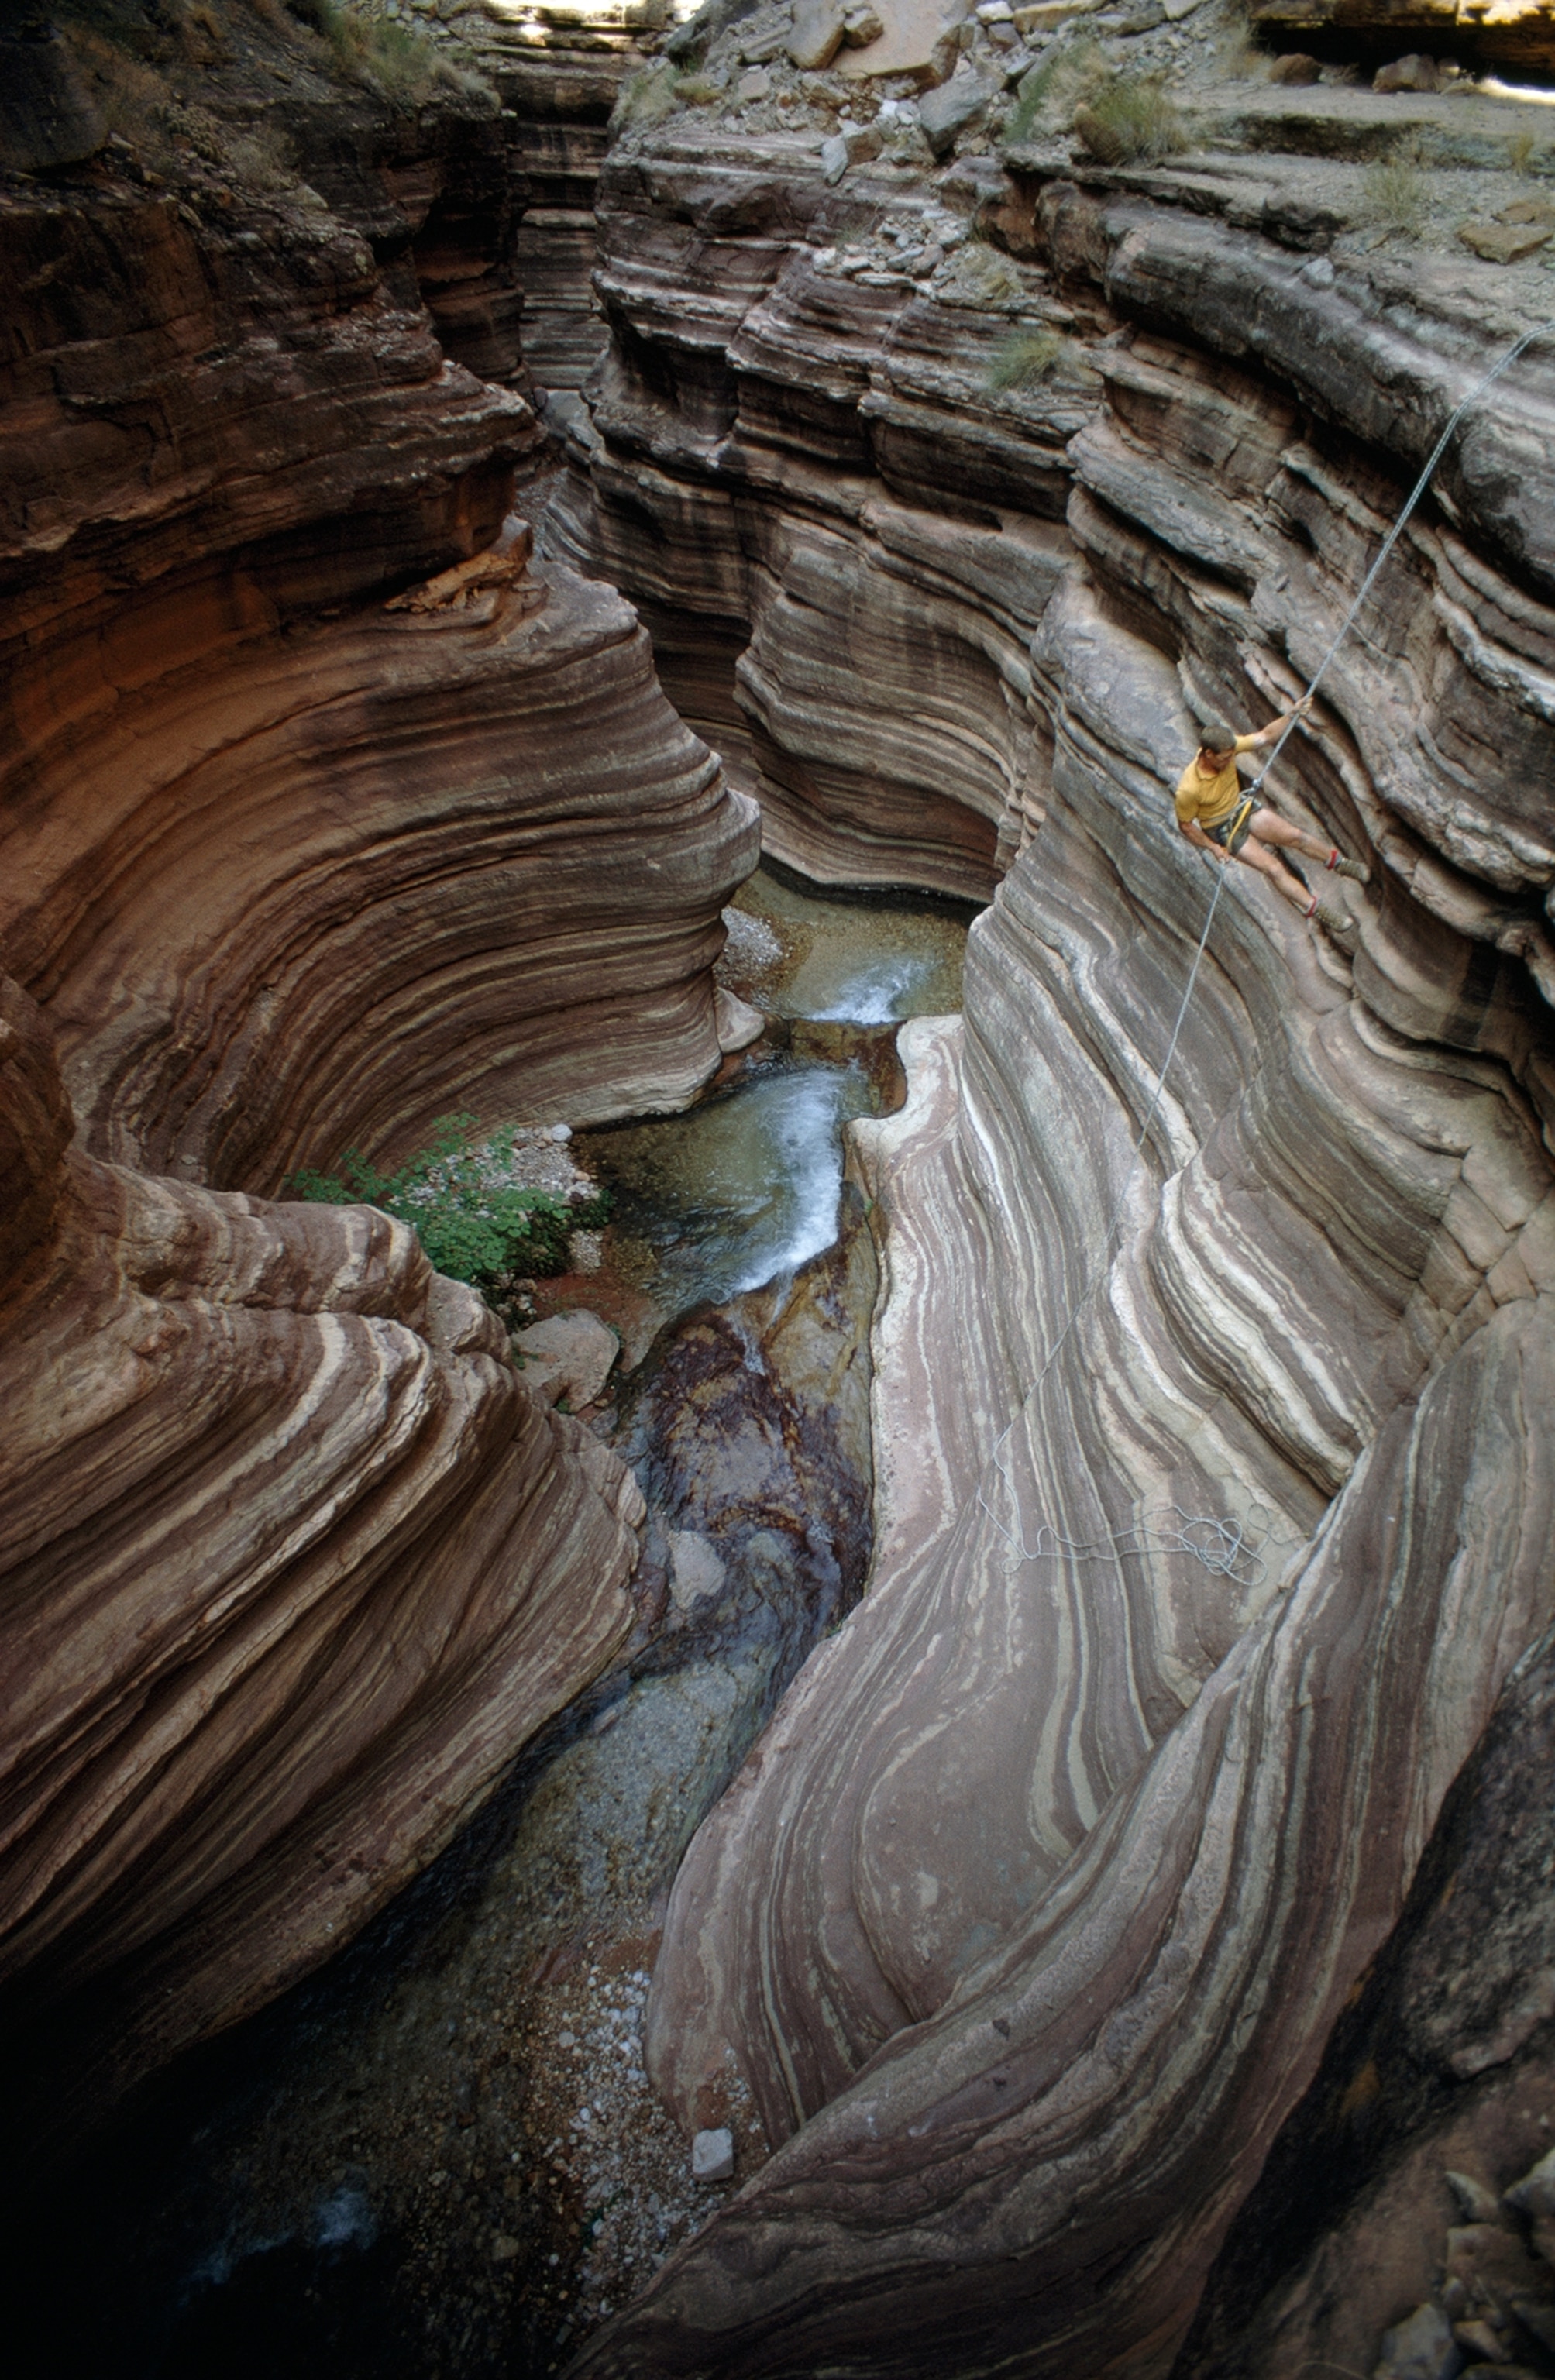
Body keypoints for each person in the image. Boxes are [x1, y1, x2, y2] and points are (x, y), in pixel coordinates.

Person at [1175, 703, 1368, 935]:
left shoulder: (1229, 748)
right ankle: (1321, 912)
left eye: (1230, 756)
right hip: (1222, 828)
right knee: (1274, 868)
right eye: (1224, 758)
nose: (1229, 761)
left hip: (1242, 807)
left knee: (1297, 837)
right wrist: (1214, 847)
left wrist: (1292, 713)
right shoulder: (1189, 789)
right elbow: (1186, 826)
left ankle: (1342, 865)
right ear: (1208, 754)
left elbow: (1265, 737)